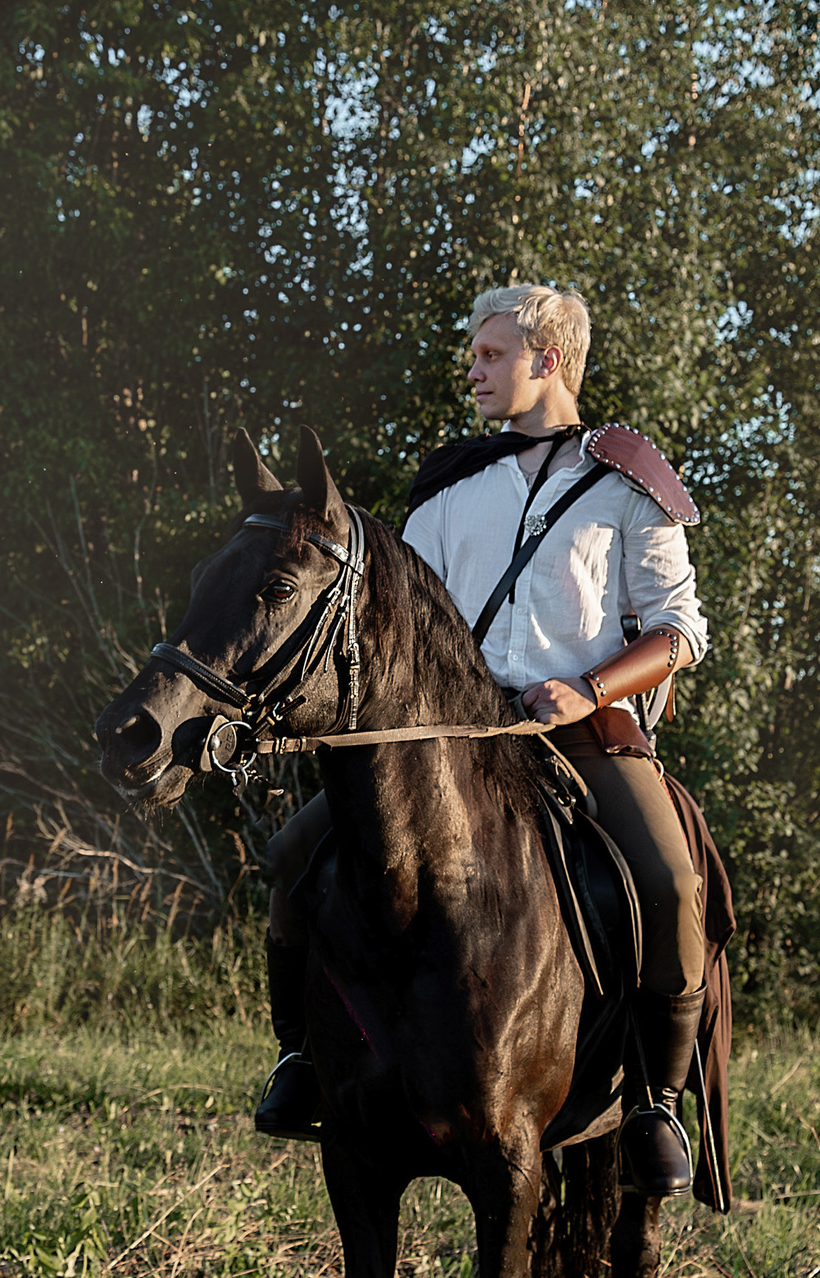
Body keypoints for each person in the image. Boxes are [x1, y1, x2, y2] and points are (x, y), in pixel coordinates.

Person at [253, 282, 709, 1199]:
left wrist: (585, 689)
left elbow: (679, 632)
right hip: (450, 739)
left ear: (548, 359)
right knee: (294, 857)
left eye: (491, 354)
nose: (474, 369)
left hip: (584, 738)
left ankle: (657, 1099)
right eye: (475, 354)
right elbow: (400, 622)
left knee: (670, 882)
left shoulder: (628, 486)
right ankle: (302, 1056)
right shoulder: (451, 486)